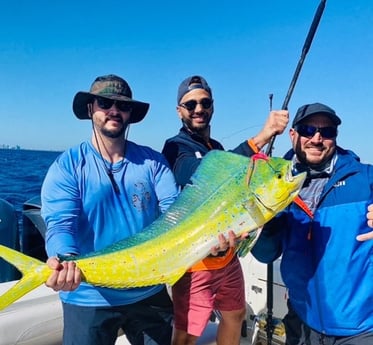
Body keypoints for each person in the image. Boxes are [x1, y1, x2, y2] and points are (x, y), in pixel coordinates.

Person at [41, 74, 179, 345]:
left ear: (130, 114)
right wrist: (65, 259)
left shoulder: (154, 162)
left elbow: (176, 215)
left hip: (148, 290)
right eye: (105, 103)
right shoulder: (68, 166)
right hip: (88, 294)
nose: (114, 111)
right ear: (91, 108)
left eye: (123, 106)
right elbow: (60, 225)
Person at [161, 75, 289, 345]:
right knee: (186, 334)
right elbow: (199, 172)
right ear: (179, 110)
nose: (198, 109)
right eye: (190, 104)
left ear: (212, 106)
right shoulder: (175, 147)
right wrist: (262, 137)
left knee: (236, 314)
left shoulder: (216, 147)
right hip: (196, 262)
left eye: (204, 102)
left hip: (227, 257)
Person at [251, 102, 373, 345]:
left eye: (327, 132)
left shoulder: (365, 177)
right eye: (308, 130)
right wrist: (265, 224)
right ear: (292, 134)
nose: (317, 138)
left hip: (360, 328)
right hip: (301, 321)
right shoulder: (275, 184)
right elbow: (265, 254)